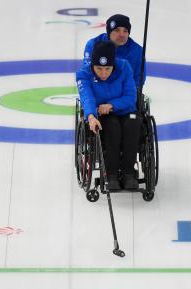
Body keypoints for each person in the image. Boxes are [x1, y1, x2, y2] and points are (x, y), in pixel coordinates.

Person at [76, 40, 140, 190]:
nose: (104, 73)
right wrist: (91, 116)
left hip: (125, 110)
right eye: (99, 69)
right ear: (92, 65)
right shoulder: (83, 75)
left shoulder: (124, 67)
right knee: (112, 126)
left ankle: (128, 173)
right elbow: (87, 97)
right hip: (103, 115)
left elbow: (131, 97)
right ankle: (111, 174)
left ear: (114, 65)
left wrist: (111, 105)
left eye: (108, 68)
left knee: (133, 122)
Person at [83, 14, 145, 89]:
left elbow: (138, 79)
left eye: (125, 31)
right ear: (109, 32)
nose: (122, 35)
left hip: (123, 93)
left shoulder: (137, 51)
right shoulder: (93, 44)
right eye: (117, 30)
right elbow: (87, 71)